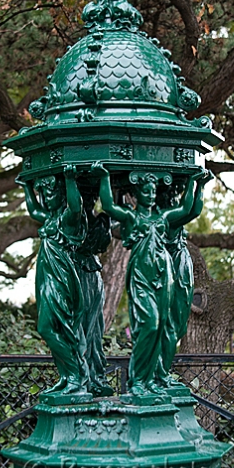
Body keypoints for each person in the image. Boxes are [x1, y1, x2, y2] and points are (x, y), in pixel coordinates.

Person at [90, 162, 204, 396]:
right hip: (142, 277)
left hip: (165, 278)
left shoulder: (163, 217)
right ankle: (138, 380)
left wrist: (197, 183)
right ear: (137, 194)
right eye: (146, 190)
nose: (151, 194)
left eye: (153, 190)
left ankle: (152, 379)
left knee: (162, 328)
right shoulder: (132, 217)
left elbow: (189, 210)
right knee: (148, 325)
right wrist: (103, 178)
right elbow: (109, 205)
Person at [17, 166, 89, 395]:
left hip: (60, 279)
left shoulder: (66, 221)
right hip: (45, 279)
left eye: (51, 192)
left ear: (61, 194)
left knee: (51, 328)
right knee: (50, 328)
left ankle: (75, 375)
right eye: (44, 193)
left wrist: (69, 180)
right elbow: (33, 209)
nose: (47, 197)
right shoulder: (48, 219)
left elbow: (76, 207)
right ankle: (68, 376)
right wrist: (27, 187)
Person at [155, 171, 213, 387]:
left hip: (182, 265)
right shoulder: (163, 217)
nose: (173, 198)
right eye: (169, 195)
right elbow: (190, 209)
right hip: (170, 268)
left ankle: (161, 372)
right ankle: (159, 373)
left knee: (177, 328)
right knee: (169, 327)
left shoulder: (170, 214)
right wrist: (194, 183)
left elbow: (192, 208)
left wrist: (200, 185)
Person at [74, 190, 114, 397]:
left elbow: (103, 243)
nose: (90, 199)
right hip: (78, 273)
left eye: (92, 196)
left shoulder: (100, 221)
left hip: (92, 272)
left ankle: (96, 376)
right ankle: (81, 376)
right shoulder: (73, 218)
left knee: (95, 328)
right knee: (81, 326)